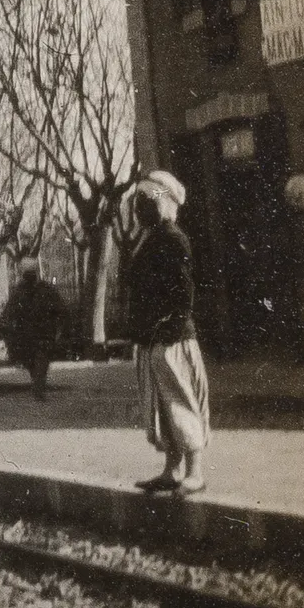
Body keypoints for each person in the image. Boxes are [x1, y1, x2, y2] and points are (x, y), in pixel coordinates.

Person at [124, 171, 211, 496]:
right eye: (138, 202)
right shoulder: (149, 238)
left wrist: (170, 329)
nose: (139, 208)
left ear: (163, 203)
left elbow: (183, 291)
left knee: (181, 402)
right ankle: (171, 471)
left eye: (146, 202)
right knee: (162, 407)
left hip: (171, 340)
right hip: (153, 338)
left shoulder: (173, 238)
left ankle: (195, 472)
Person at [0, 256, 66, 401]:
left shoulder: (40, 290)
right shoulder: (22, 291)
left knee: (38, 360)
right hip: (32, 333)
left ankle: (38, 387)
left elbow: (59, 309)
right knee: (35, 361)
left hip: (36, 333)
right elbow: (10, 311)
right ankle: (38, 384)